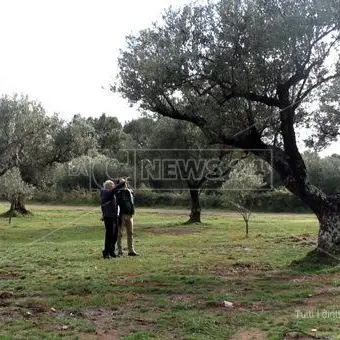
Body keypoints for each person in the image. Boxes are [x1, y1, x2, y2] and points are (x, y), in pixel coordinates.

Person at [100, 179, 125, 259]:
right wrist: (123, 183)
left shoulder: (111, 193)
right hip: (109, 217)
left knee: (114, 236)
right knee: (109, 236)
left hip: (114, 217)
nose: (114, 186)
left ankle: (111, 251)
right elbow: (115, 190)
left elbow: (116, 191)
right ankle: (106, 253)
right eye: (112, 185)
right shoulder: (106, 192)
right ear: (108, 186)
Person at [116, 179, 138, 256]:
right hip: (121, 215)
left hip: (130, 214)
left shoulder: (129, 192)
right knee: (119, 234)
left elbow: (132, 201)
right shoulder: (117, 193)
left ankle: (131, 250)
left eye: (125, 183)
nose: (125, 184)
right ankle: (119, 251)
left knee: (130, 233)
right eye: (122, 183)